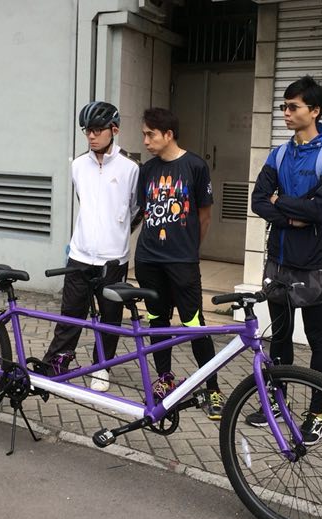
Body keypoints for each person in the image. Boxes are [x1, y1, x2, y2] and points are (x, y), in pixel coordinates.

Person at [248, 75, 322, 445]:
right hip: (279, 259)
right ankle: (278, 402)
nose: (286, 113)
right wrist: (292, 216)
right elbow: (259, 200)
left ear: (314, 111)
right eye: (283, 106)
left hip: (314, 263)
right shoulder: (279, 154)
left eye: (293, 107)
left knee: (318, 339)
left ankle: (317, 415)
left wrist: (281, 202)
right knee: (280, 337)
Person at [41, 101, 139, 392]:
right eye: (87, 131)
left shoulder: (131, 168)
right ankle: (58, 361)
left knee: (110, 318)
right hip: (80, 254)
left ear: (114, 130)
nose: (91, 136)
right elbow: (85, 203)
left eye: (97, 130)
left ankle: (101, 366)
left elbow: (136, 209)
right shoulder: (78, 166)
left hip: (113, 258)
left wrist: (117, 232)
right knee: (71, 313)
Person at [133, 107, 223, 421]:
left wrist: (188, 249)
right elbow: (146, 211)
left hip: (182, 262)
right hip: (148, 260)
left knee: (194, 324)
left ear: (168, 134)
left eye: (150, 135)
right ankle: (165, 379)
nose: (145, 141)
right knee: (157, 321)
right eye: (144, 134)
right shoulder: (147, 170)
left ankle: (212, 388)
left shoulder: (195, 166)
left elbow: (204, 215)